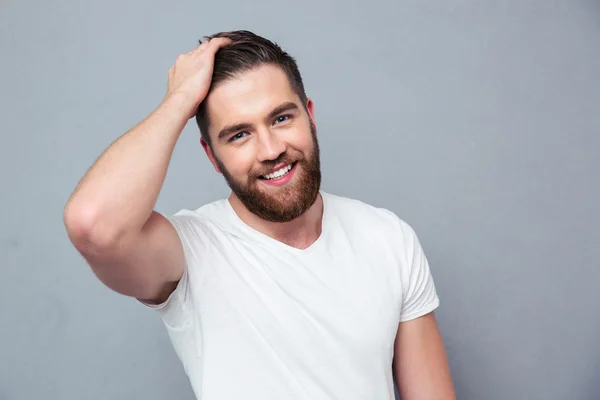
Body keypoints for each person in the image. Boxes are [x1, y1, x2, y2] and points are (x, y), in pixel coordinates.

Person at [64, 30, 456, 400]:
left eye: (281, 118)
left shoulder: (386, 237)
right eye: (239, 135)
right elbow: (94, 225)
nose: (270, 150)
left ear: (310, 115)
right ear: (211, 156)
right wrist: (179, 100)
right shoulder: (189, 251)